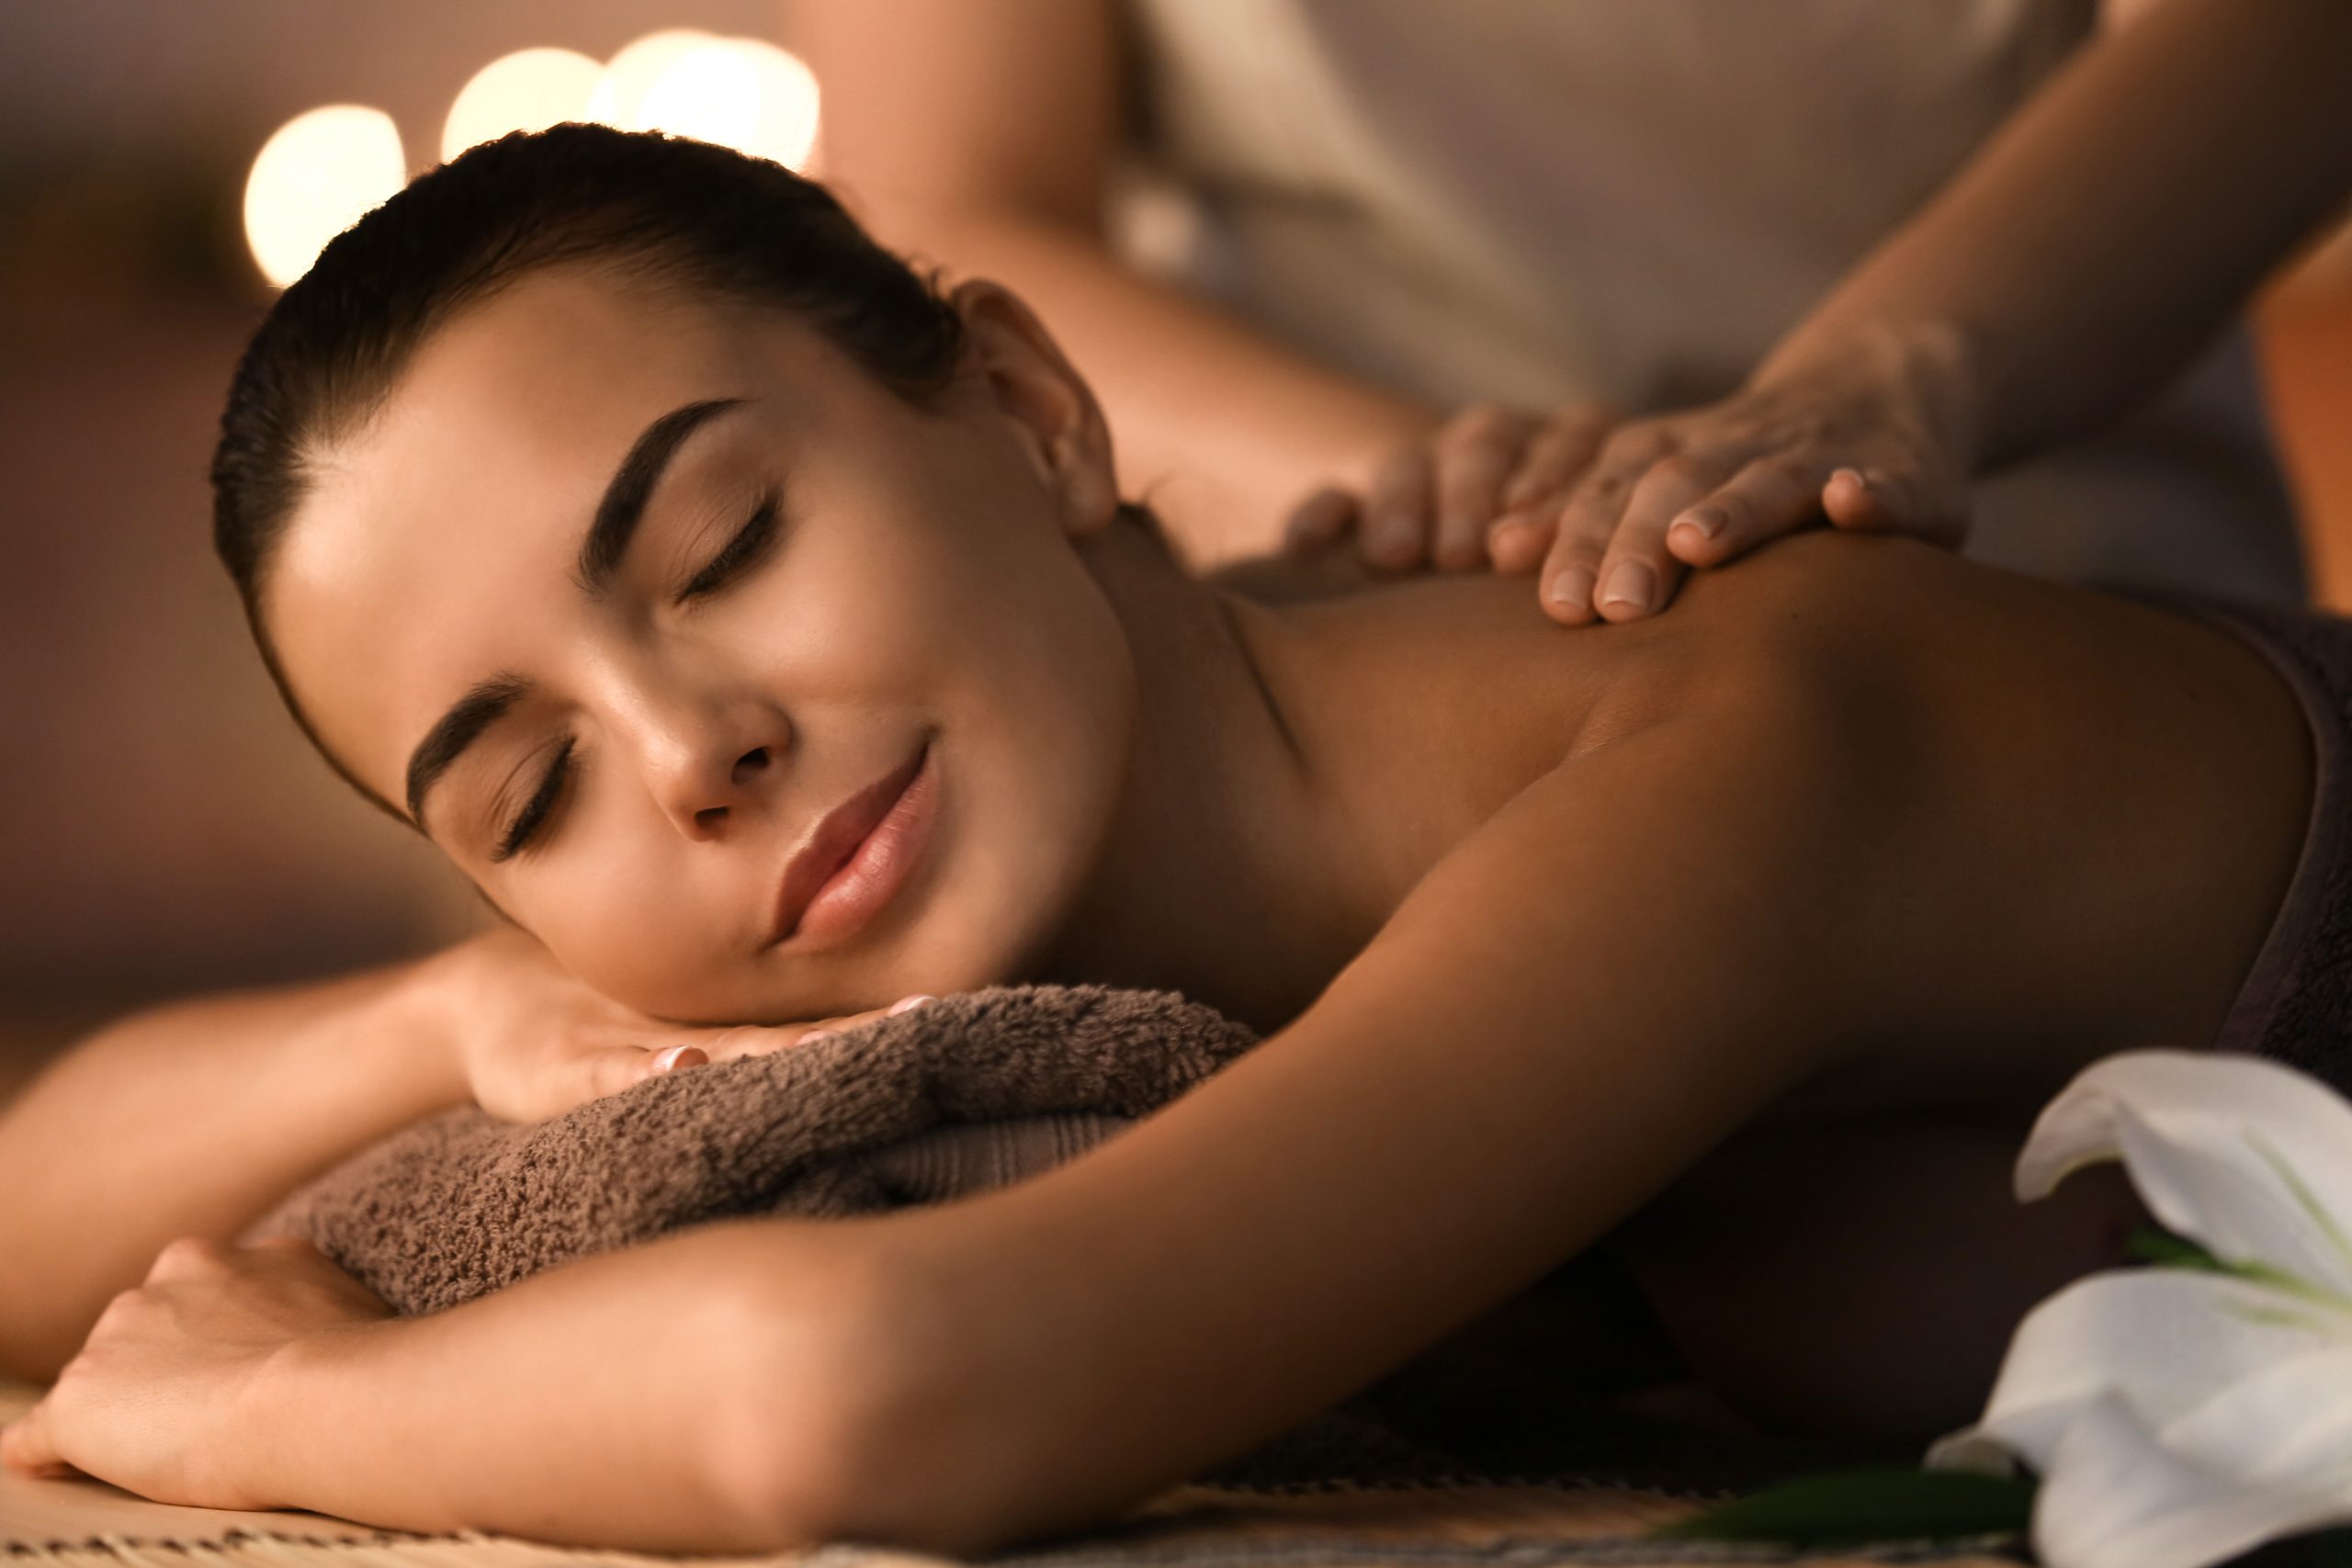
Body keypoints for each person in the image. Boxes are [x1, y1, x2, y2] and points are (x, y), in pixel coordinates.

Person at [0, 126, 2337, 1555]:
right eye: (527, 791)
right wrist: (458, 1005)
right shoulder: (946, 910)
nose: (687, 744)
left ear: (1024, 406)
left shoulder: (1709, 733)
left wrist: (276, 1407)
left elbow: (899, 1393)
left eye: (717, 548)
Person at [803, 0, 2347, 620]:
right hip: (1386, 601)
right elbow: (944, 211)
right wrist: (1485, 503)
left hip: (2059, 577)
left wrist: (1888, 385)